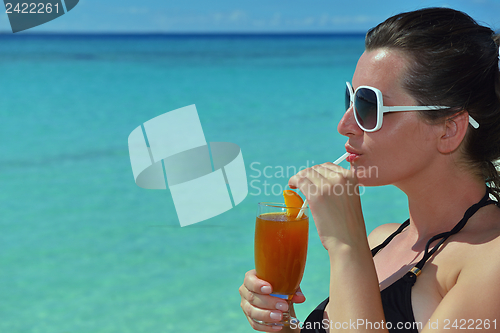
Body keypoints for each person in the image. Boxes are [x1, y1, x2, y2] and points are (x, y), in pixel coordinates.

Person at [239, 7, 500, 333]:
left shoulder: (492, 262)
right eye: (350, 99)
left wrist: (346, 245)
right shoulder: (383, 239)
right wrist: (286, 322)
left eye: (368, 105)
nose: (344, 125)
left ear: (448, 129)